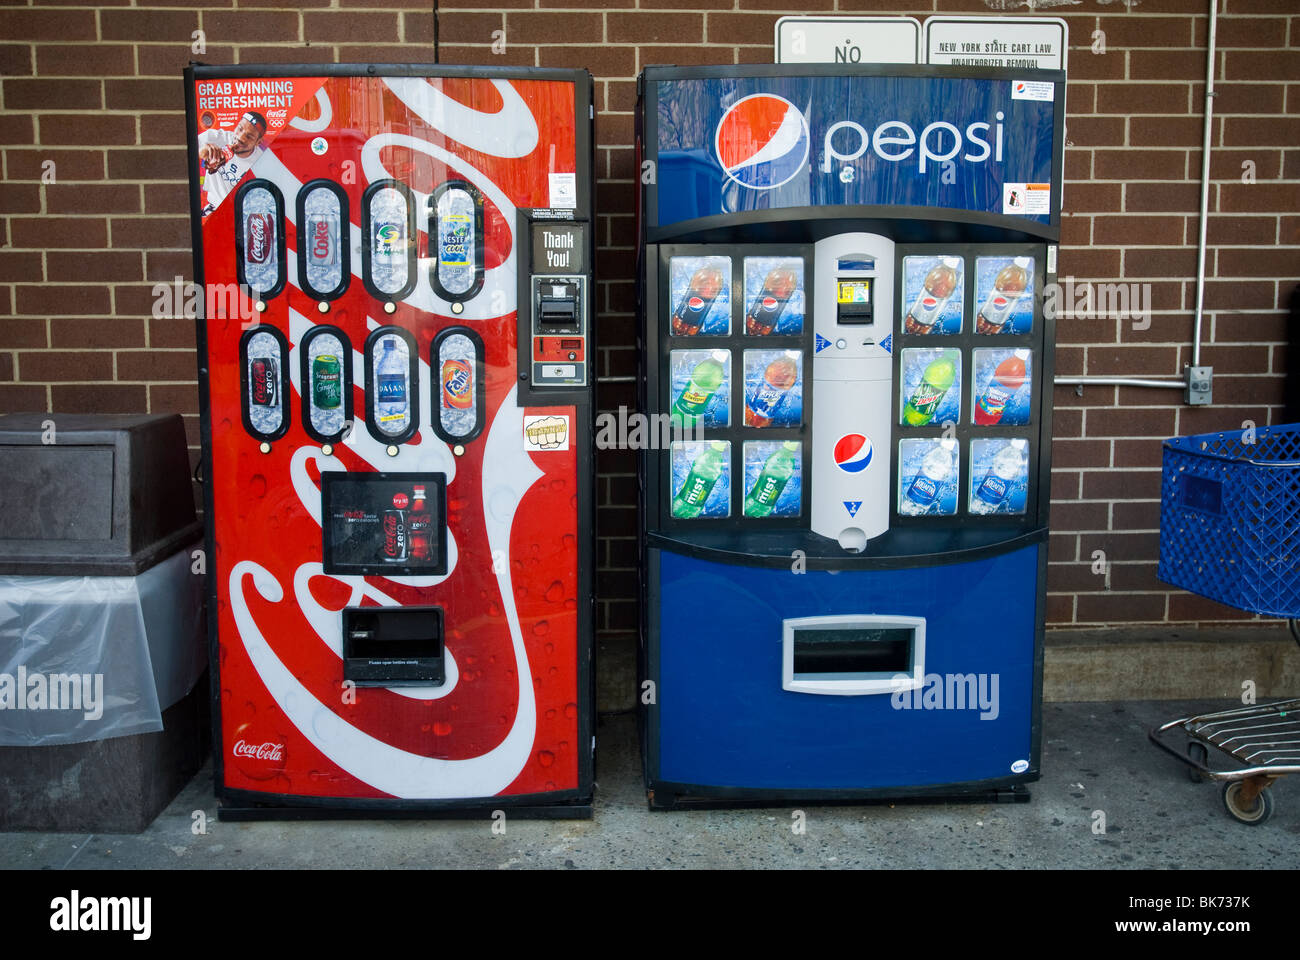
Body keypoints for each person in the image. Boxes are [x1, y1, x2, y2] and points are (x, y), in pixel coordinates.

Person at [198, 111, 268, 215]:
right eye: (240, 129)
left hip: (240, 214)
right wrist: (201, 152)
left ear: (258, 142)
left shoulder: (261, 162)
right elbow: (184, 152)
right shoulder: (217, 138)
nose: (240, 138)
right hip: (212, 209)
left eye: (249, 137)